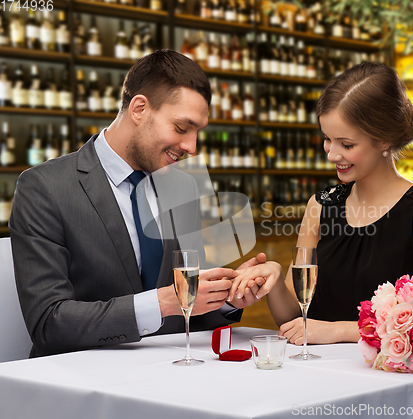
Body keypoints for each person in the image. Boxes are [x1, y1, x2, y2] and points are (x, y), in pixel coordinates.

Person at [9, 49, 265, 358]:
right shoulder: (45, 187)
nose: (191, 147)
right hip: (80, 382)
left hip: (170, 373)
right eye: (182, 128)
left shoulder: (182, 186)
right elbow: (49, 323)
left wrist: (225, 298)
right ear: (139, 109)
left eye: (198, 133)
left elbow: (188, 311)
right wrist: (163, 302)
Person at [230, 62, 413, 346]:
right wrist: (272, 279)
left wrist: (339, 331)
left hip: (389, 377)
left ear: (384, 139)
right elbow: (292, 318)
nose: (331, 154)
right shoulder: (320, 206)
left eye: (346, 145)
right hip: (319, 371)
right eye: (327, 139)